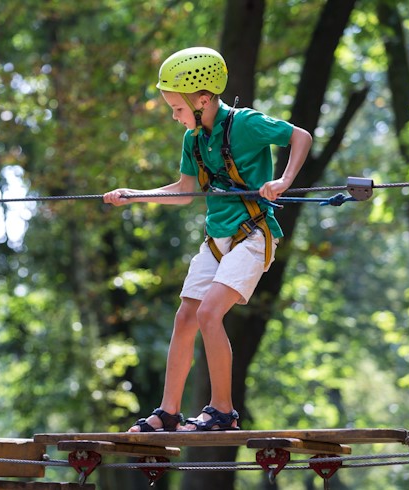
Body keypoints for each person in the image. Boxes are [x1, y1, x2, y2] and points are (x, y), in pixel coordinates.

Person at [103, 47, 312, 431]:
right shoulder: (194, 140)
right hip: (216, 238)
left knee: (208, 313)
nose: (173, 116)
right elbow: (184, 191)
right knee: (185, 318)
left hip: (253, 236)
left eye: (178, 108)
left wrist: (283, 181)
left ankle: (222, 411)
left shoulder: (246, 124)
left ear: (202, 100)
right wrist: (136, 194)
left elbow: (300, 136)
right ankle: (168, 412)